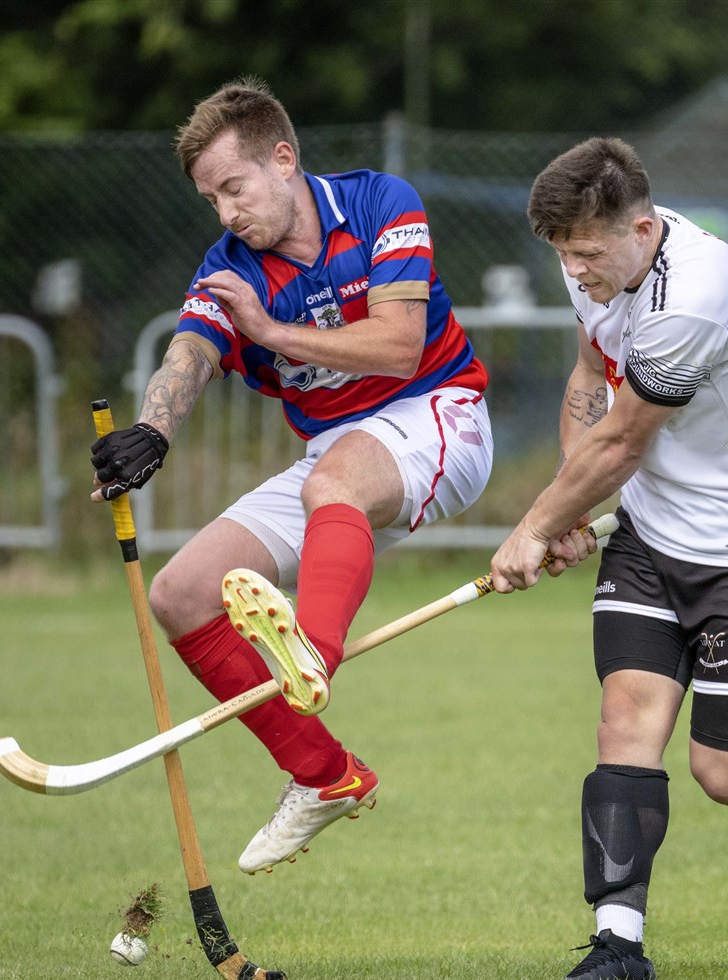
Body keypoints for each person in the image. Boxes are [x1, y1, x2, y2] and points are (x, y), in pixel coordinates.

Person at [490, 137, 728, 980]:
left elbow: (627, 436)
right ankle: (618, 947)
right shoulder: (590, 259)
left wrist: (532, 525)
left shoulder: (697, 294)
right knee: (625, 721)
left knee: (726, 772)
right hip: (655, 525)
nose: (575, 271)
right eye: (563, 255)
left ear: (642, 226)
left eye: (587, 254)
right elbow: (592, 368)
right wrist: (570, 502)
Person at [90, 76, 493, 875]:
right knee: (182, 593)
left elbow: (398, 345)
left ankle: (311, 652)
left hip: (436, 411)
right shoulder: (229, 266)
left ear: (282, 159)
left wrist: (272, 331)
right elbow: (192, 350)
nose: (227, 213)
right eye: (210, 200)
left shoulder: (382, 203)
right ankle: (323, 775)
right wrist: (152, 429)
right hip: (334, 455)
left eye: (233, 188)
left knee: (330, 483)